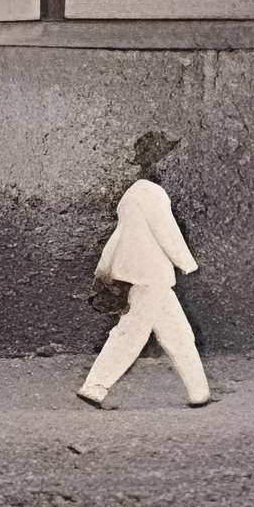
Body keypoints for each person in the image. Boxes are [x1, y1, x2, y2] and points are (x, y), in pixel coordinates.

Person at [79, 129, 211, 409]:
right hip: (151, 275)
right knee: (132, 334)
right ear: (157, 162)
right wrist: (187, 264)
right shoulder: (153, 193)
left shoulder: (132, 194)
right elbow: (167, 232)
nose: (169, 164)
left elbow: (119, 236)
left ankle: (199, 393)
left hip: (140, 274)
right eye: (166, 158)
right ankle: (94, 387)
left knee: (177, 333)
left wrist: (105, 268)